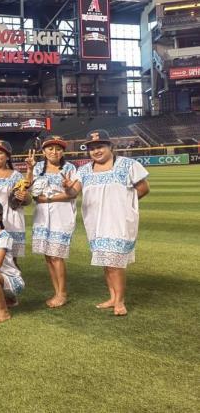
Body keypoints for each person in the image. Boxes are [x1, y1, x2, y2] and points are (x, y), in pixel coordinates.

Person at [71, 130, 150, 316]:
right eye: (92, 148)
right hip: (96, 223)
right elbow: (72, 193)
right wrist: (67, 187)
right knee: (107, 262)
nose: (96, 151)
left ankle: (120, 301)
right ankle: (113, 297)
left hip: (119, 222)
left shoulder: (128, 165)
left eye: (100, 147)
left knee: (115, 262)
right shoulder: (83, 170)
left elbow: (144, 189)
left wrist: (124, 205)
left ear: (110, 147)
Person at [24, 136, 80, 308]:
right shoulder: (38, 167)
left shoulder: (70, 167)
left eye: (58, 149)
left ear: (63, 151)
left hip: (61, 214)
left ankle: (62, 293)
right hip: (42, 216)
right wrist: (29, 169)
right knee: (48, 256)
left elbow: (73, 193)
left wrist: (49, 199)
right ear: (44, 151)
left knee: (57, 256)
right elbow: (29, 191)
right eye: (50, 148)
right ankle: (56, 291)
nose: (54, 152)